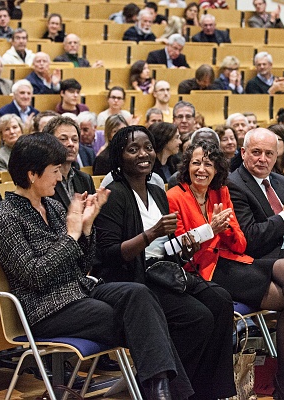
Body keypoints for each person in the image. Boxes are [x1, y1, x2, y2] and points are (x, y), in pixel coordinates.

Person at [0, 132, 190, 400]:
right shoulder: (3, 217)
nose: (60, 178)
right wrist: (72, 235)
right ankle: (166, 394)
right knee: (142, 319)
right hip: (45, 309)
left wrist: (87, 227)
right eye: (55, 171)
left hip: (80, 291)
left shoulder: (54, 207)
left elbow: (82, 266)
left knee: (139, 294)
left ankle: (160, 391)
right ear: (32, 174)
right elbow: (35, 275)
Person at [168, 138, 284, 398]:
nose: (202, 169)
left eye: (208, 164)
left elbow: (240, 243)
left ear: (216, 169)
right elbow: (180, 250)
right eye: (196, 163)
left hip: (233, 261)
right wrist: (211, 229)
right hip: (203, 270)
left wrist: (225, 229)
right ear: (187, 166)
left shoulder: (220, 192)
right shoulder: (175, 196)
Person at [93, 126, 235, 399]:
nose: (143, 154)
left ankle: (209, 391)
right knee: (197, 317)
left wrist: (187, 248)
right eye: (133, 149)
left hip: (164, 271)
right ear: (119, 156)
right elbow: (109, 254)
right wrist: (151, 233)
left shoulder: (157, 191)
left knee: (220, 299)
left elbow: (166, 248)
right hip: (132, 278)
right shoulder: (114, 195)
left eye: (147, 148)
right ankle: (170, 388)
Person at [39, 116, 95, 210]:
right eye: (63, 139)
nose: (71, 144)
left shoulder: (85, 179)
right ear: (48, 143)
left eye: (75, 140)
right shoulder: (42, 180)